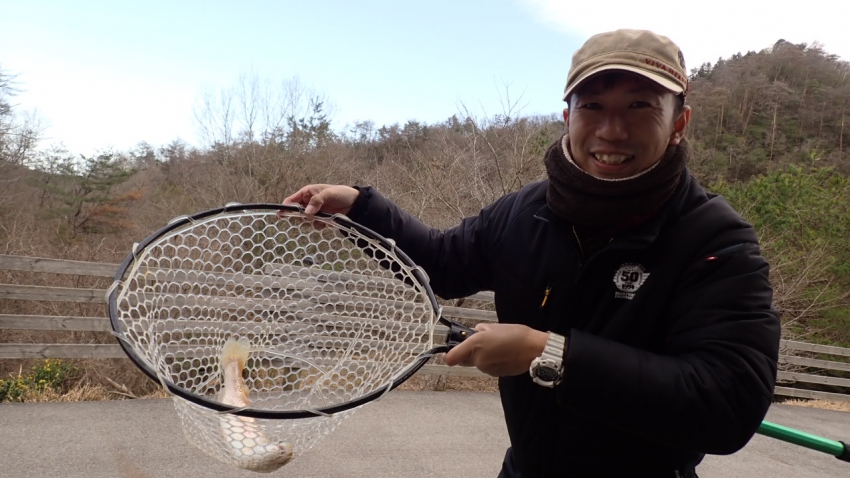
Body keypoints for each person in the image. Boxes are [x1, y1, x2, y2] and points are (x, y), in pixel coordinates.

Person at [285, 29, 781, 478]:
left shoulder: (715, 239)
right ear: (567, 117)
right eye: (592, 106)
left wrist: (551, 354)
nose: (612, 130)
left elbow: (729, 402)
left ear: (679, 122)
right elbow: (442, 264)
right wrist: (362, 208)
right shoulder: (525, 211)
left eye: (640, 106)